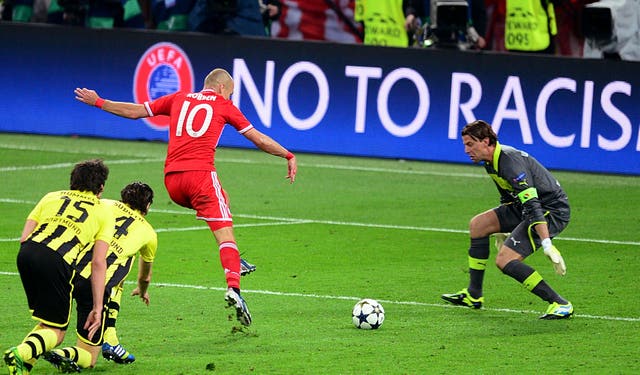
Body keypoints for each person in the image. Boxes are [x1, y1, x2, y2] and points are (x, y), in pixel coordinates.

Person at [73, 68, 297, 327]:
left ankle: (234, 258)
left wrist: (99, 101)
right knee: (225, 234)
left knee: (222, 198)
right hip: (200, 177)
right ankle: (234, 288)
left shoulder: (178, 98)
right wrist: (287, 155)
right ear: (223, 89)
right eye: (231, 93)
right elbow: (257, 138)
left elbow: (135, 112)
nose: (231, 98)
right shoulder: (224, 106)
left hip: (172, 182)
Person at [441, 120, 573, 320]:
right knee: (478, 225)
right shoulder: (490, 161)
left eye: (470, 144)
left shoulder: (510, 163)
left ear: (486, 141)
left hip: (550, 211)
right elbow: (508, 197)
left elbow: (534, 205)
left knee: (505, 260)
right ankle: (474, 295)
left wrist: (547, 244)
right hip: (523, 207)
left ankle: (560, 303)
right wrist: (502, 228)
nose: (466, 150)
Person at [3, 159, 114, 375]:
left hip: (26, 254)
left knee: (47, 321)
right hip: (56, 261)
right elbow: (99, 263)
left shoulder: (51, 196)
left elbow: (24, 237)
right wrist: (98, 307)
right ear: (101, 188)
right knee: (57, 330)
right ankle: (20, 352)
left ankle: (22, 368)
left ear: (72, 181)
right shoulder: (104, 213)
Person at [42, 181, 157, 371]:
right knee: (121, 262)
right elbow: (145, 277)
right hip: (95, 284)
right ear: (147, 205)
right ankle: (85, 346)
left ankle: (29, 349)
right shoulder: (149, 233)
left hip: (68, 269)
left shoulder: (105, 204)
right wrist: (142, 290)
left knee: (51, 326)